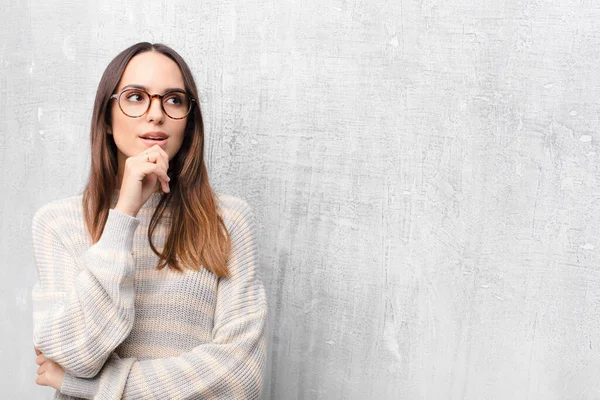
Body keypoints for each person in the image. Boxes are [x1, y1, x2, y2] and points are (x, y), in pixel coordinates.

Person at [31, 42, 267, 399]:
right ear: (107, 119)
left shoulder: (228, 220)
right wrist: (123, 214)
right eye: (136, 97)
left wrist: (88, 385)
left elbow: (240, 376)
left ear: (189, 123)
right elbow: (75, 352)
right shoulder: (59, 223)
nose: (156, 114)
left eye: (173, 100)